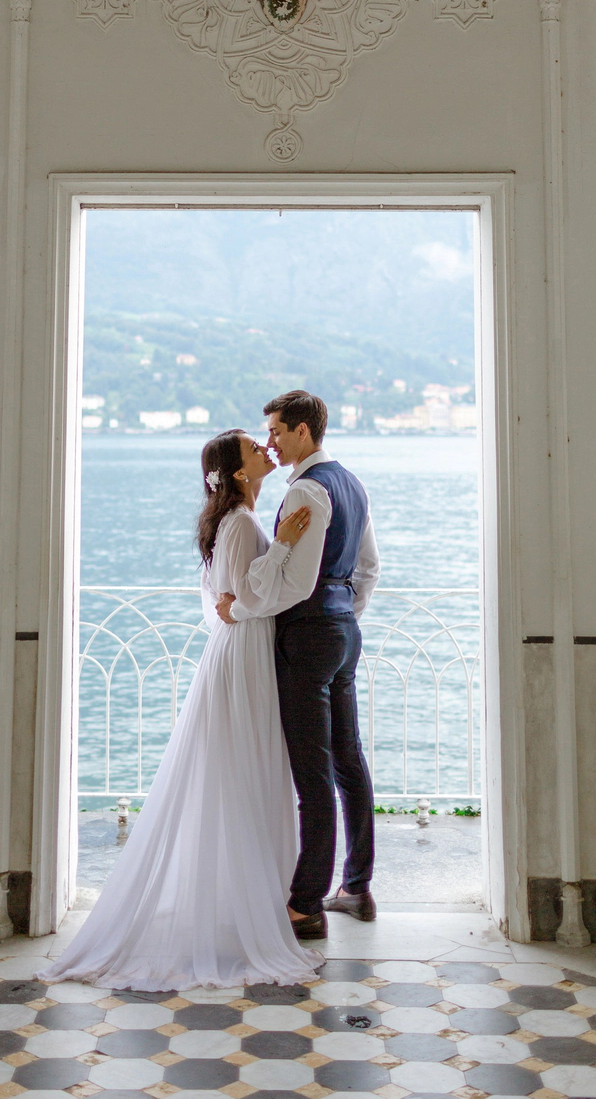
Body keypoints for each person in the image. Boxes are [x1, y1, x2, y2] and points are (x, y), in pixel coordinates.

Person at [40, 428, 318, 990]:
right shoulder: (242, 523)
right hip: (243, 652)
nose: (264, 450)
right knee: (243, 771)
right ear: (237, 472)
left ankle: (241, 903)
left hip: (241, 648)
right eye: (253, 448)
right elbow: (244, 600)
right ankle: (245, 912)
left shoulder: (235, 520)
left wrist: (242, 598)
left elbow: (229, 602)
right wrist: (285, 544)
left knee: (239, 771)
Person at [217, 390, 380, 940]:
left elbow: (295, 584)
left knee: (314, 777)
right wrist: (344, 613)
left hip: (309, 637)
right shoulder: (351, 483)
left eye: (277, 431)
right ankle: (356, 886)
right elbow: (369, 568)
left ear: (302, 431)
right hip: (342, 632)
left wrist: (239, 609)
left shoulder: (306, 489)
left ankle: (306, 905)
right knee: (348, 761)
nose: (271, 441)